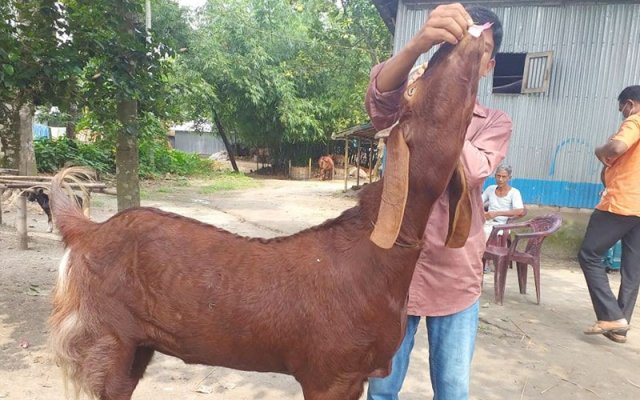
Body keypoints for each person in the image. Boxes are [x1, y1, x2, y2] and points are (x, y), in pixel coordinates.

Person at [365, 4, 512, 400]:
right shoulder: (409, 100)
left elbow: (477, 168)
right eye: (453, 47)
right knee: (381, 389)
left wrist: (440, 109)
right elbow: (379, 105)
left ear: (489, 65)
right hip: (395, 272)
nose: (466, 54)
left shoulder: (495, 122)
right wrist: (417, 45)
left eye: (478, 50)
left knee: (452, 391)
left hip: (455, 274)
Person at [578, 85, 640, 344]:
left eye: (622, 110)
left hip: (622, 201)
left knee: (589, 254)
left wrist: (599, 150)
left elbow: (616, 149)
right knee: (632, 269)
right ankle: (619, 327)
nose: (622, 114)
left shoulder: (635, 120)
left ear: (630, 104)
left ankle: (611, 316)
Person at [481, 164, 526, 240]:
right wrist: (482, 213)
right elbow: (479, 202)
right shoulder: (490, 189)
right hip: (488, 222)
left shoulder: (514, 192)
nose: (500, 179)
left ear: (509, 178)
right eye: (498, 176)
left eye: (504, 177)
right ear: (495, 176)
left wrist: (496, 213)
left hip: (502, 225)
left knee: (483, 233)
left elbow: (520, 211)